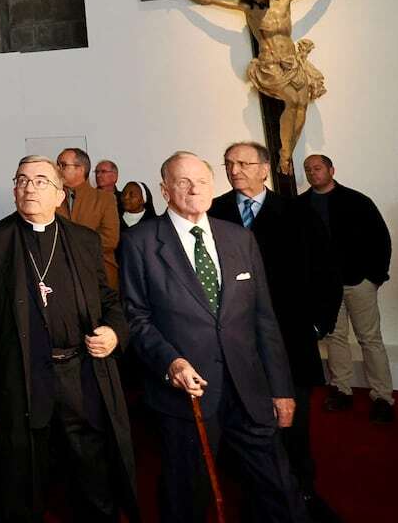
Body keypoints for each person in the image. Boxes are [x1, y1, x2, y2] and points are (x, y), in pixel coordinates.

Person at [120, 151, 307, 522]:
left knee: (280, 491)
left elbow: (263, 319)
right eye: (183, 182)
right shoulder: (140, 243)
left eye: (202, 181)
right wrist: (169, 361)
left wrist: (281, 389)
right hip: (187, 396)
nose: (194, 189)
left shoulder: (238, 239)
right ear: (165, 189)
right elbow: (135, 317)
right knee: (186, 495)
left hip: (249, 390)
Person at [0, 156, 137, 522]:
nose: (29, 187)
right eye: (22, 180)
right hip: (21, 378)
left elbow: (108, 300)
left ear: (60, 195)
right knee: (24, 479)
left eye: (41, 181)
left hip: (79, 374)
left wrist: (114, 332)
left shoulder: (83, 239)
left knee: (91, 475)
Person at [211, 142, 341, 516]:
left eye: (243, 163)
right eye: (229, 164)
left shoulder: (297, 212)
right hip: (234, 340)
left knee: (294, 423)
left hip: (290, 335)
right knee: (244, 421)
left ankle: (302, 493)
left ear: (264, 169)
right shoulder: (214, 211)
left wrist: (320, 322)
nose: (235, 170)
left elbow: (326, 270)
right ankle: (255, 495)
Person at [170, 0, 352, 171]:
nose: (258, 1)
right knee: (292, 101)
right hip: (270, 65)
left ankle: (286, 153)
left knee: (302, 106)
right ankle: (284, 156)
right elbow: (209, 0)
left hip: (292, 61)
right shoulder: (248, 8)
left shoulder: (285, 0)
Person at [301, 154, 395, 423]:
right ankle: (342, 390)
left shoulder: (357, 201)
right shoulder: (301, 206)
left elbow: (381, 238)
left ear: (331, 169)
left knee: (370, 339)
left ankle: (382, 397)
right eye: (308, 169)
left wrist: (375, 277)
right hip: (323, 288)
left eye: (317, 168)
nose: (312, 173)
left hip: (358, 282)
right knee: (335, 338)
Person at [57, 148, 120, 289]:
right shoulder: (51, 198)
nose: (57, 168)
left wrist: (69, 247)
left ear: (80, 169)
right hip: (60, 275)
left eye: (63, 165)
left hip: (98, 274)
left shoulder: (105, 199)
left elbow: (110, 239)